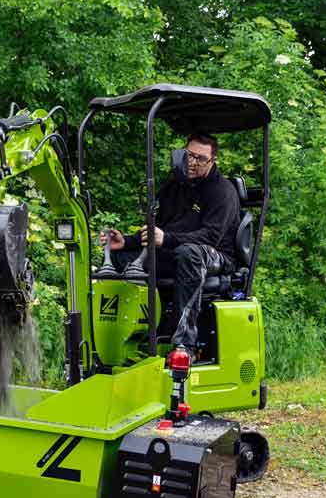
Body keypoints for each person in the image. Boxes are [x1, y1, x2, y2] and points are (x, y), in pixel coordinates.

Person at [101, 133, 239, 357]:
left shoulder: (222, 192)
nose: (193, 162)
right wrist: (126, 241)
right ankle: (125, 340)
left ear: (213, 161)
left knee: (190, 254)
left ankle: (184, 346)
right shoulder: (174, 185)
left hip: (216, 256)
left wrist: (166, 239)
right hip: (175, 251)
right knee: (120, 258)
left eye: (200, 159)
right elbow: (156, 228)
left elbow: (211, 236)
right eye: (189, 155)